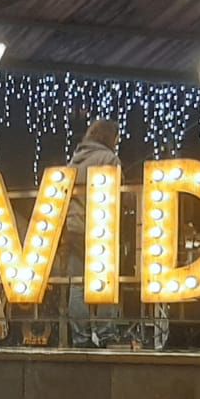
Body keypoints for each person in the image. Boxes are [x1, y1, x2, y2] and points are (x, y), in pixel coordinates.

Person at [62, 119, 123, 348]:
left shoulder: (73, 161)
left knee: (78, 284)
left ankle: (80, 337)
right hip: (100, 226)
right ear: (109, 137)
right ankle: (106, 333)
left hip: (74, 229)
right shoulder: (109, 159)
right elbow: (118, 192)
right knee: (106, 281)